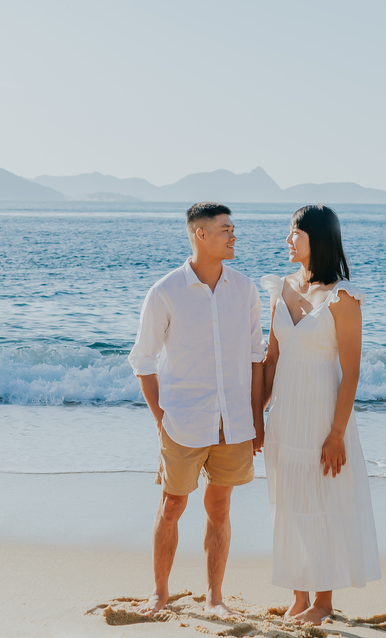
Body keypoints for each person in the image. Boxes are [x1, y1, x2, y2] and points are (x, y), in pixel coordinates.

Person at [128, 202, 266, 618]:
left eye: (233, 228)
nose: (233, 235)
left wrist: (256, 419)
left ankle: (215, 597)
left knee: (220, 506)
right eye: (225, 229)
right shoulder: (165, 291)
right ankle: (159, 593)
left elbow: (257, 357)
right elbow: (143, 360)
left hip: (235, 421)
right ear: (199, 235)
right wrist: (160, 418)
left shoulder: (245, 289)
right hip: (182, 420)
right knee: (172, 506)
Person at [260, 204, 380, 625]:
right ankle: (298, 595)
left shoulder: (343, 298)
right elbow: (271, 360)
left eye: (295, 232)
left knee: (322, 504)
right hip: (285, 418)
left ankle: (323, 602)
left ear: (317, 238)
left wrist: (337, 433)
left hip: (323, 419)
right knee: (288, 503)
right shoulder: (281, 289)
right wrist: (258, 418)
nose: (288, 240)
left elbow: (352, 372)